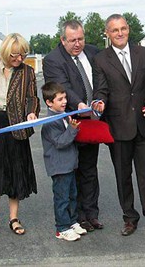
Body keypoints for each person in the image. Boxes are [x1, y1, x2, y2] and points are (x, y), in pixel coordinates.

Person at [92, 14, 145, 236]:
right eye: (115, 30)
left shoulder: (143, 52)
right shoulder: (101, 59)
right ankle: (129, 219)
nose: (120, 33)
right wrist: (99, 102)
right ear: (107, 33)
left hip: (144, 124)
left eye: (123, 28)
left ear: (128, 29)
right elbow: (101, 90)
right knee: (122, 176)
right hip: (118, 126)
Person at [0, 33, 40, 235]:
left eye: (22, 55)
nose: (19, 59)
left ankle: (14, 218)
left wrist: (31, 112)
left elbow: (32, 97)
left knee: (14, 172)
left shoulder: (28, 71)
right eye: (14, 55)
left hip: (16, 127)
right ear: (4, 52)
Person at [43, 20, 103, 232]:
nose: (78, 44)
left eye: (81, 39)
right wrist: (79, 105)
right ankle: (76, 218)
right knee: (72, 171)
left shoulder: (94, 52)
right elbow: (64, 87)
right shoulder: (53, 60)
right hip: (70, 122)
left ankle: (91, 214)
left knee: (89, 169)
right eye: (72, 40)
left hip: (93, 121)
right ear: (62, 39)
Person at [41, 81, 89, 241]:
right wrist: (72, 129)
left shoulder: (62, 115)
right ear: (49, 102)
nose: (65, 102)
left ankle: (72, 221)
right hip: (59, 167)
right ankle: (61, 228)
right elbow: (60, 142)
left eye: (65, 98)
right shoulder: (50, 121)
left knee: (72, 195)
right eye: (60, 99)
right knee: (62, 198)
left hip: (69, 165)